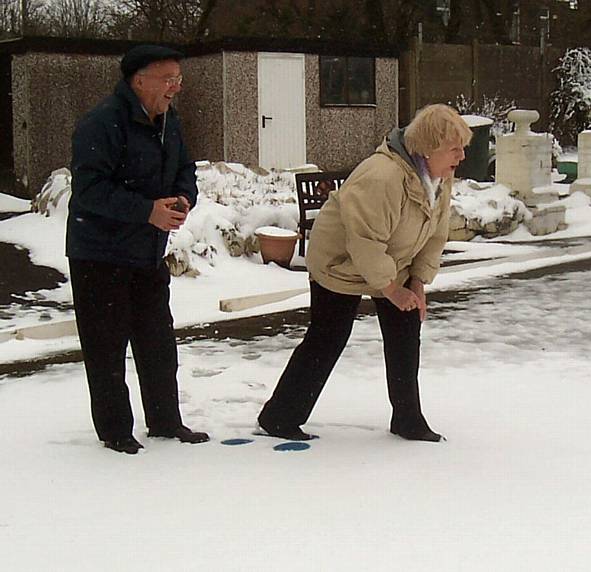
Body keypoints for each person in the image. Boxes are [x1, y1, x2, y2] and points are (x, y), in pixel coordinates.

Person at [258, 104, 472, 442]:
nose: (461, 156)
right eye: (454, 148)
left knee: (405, 334)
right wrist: (390, 288)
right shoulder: (382, 176)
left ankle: (407, 419)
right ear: (429, 148)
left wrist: (417, 283)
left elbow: (436, 232)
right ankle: (280, 417)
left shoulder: (439, 177)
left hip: (392, 258)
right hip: (339, 261)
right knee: (328, 336)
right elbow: (365, 240)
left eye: (463, 147)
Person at [66, 45, 209, 454]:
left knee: (157, 343)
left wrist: (182, 197)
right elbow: (90, 190)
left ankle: (165, 422)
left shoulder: (168, 122)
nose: (175, 89)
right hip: (99, 255)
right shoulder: (101, 123)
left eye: (178, 80)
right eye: (168, 80)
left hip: (146, 253)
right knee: (107, 348)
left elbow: (185, 168)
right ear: (138, 79)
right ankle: (115, 431)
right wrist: (146, 211)